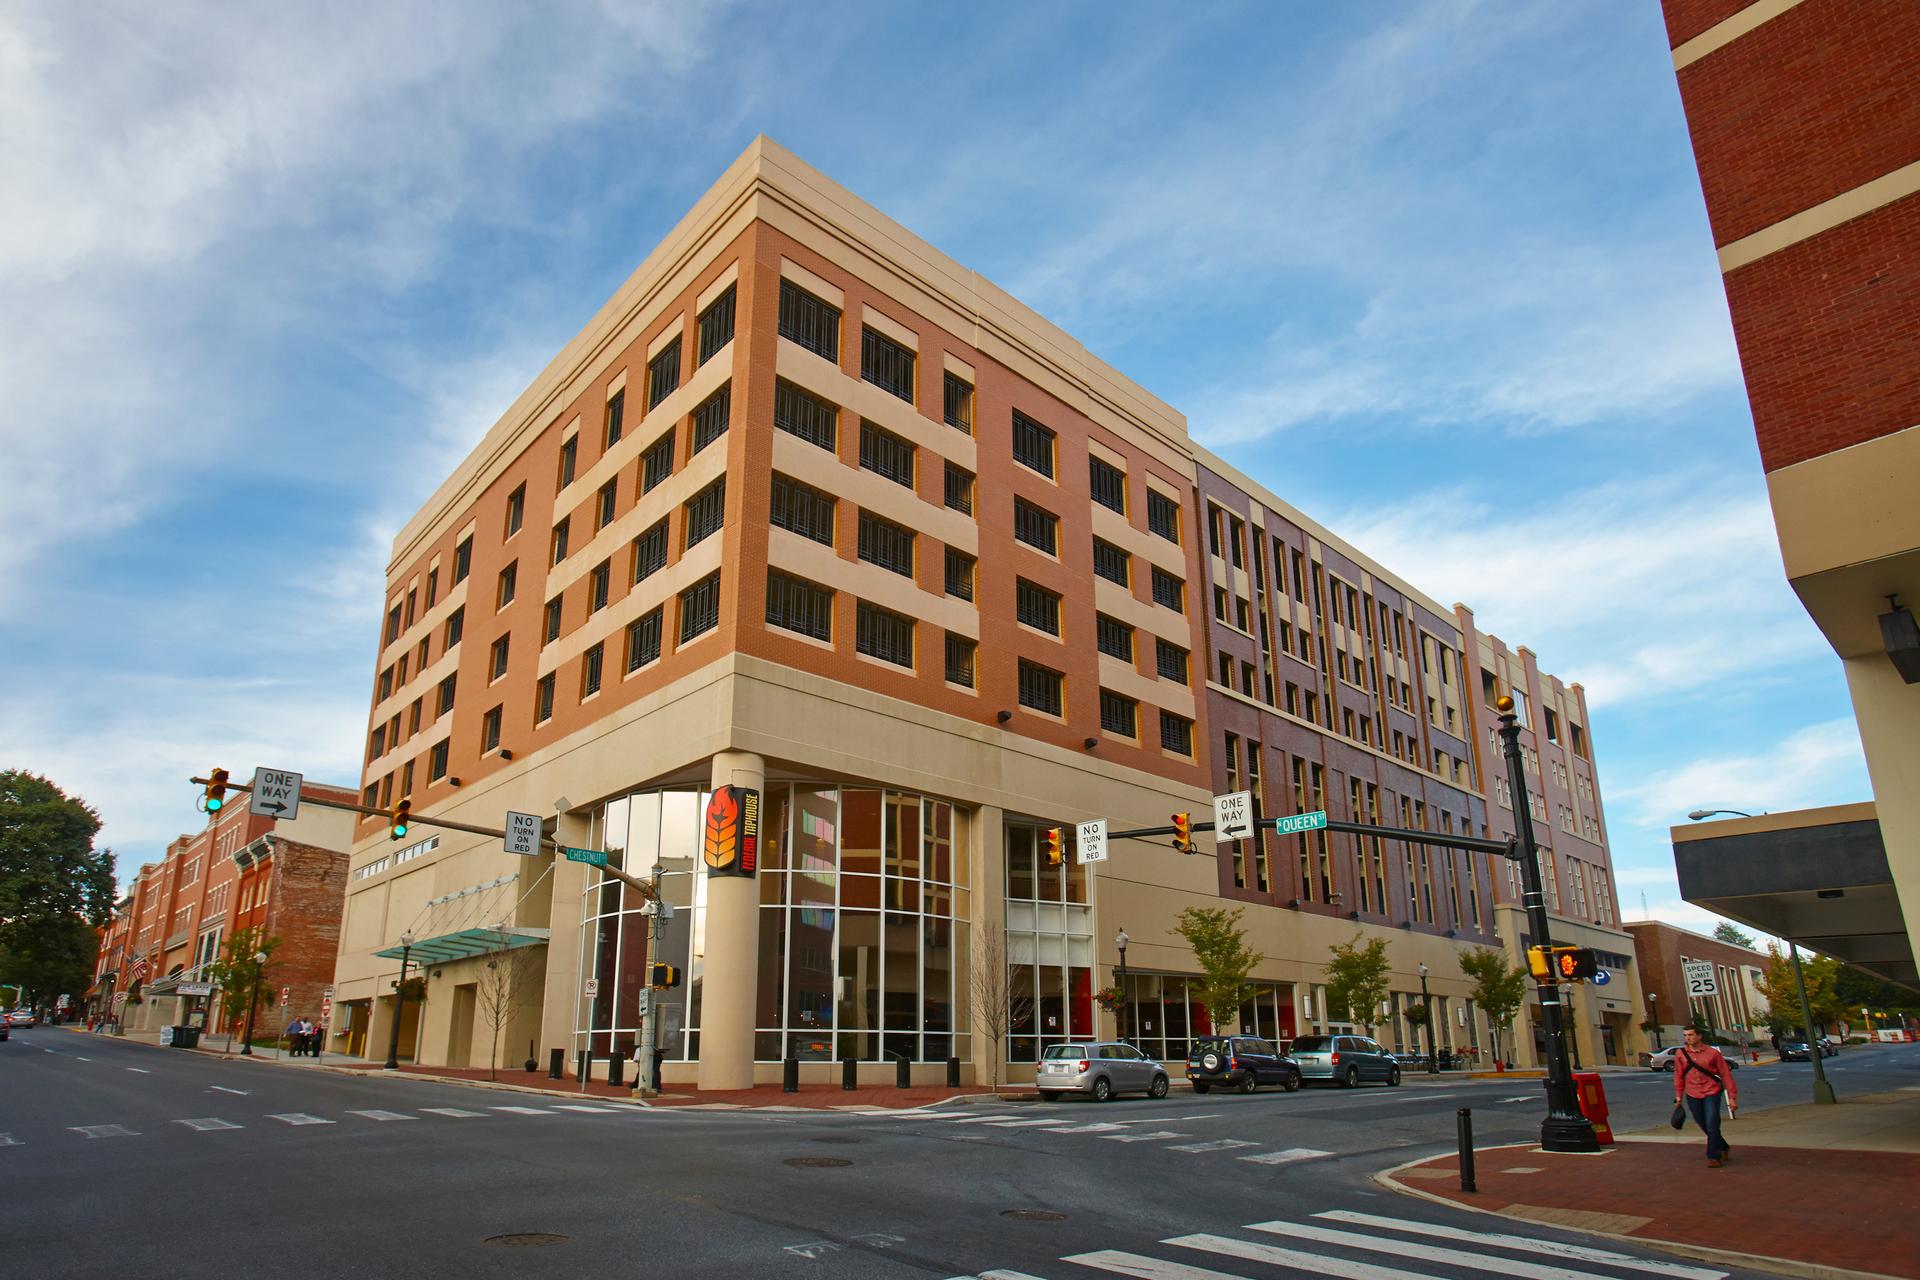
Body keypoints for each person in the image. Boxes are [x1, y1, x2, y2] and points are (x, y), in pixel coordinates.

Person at [1674, 1026, 1738, 1167]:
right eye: (1685, 1035)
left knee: (1712, 1123)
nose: (1687, 1038)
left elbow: (1725, 1074)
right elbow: (1678, 1076)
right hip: (1692, 1093)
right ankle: (1723, 1146)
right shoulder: (1681, 1054)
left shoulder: (1712, 1053)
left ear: (1699, 1036)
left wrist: (1732, 1096)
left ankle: (1713, 1156)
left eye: (1691, 1034)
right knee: (1703, 1123)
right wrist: (1678, 1095)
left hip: (1711, 1092)